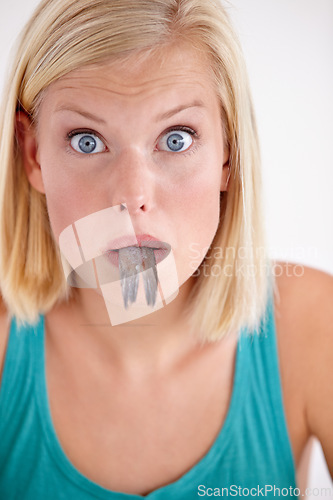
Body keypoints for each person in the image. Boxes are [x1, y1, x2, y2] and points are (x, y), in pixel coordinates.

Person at [0, 0, 332, 497]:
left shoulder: (311, 327)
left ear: (227, 153)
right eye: (87, 141)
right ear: (33, 156)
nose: (132, 198)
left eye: (176, 139)